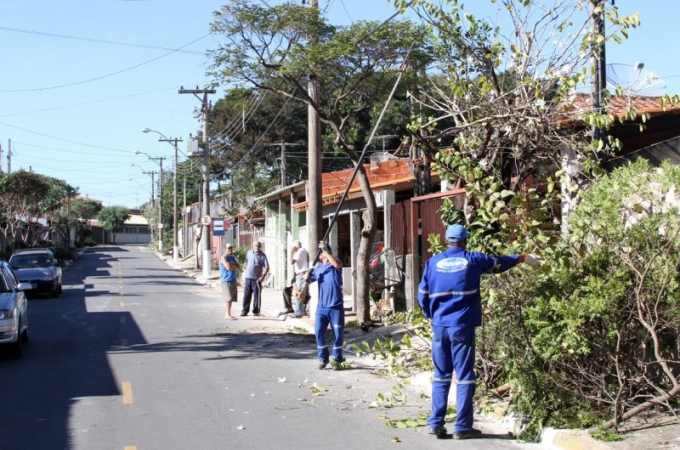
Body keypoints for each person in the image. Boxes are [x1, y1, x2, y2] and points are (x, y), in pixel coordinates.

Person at [418, 224, 538, 440]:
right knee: (464, 377)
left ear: (447, 240)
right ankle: (463, 427)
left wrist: (432, 316)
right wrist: (521, 257)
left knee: (441, 376)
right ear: (464, 241)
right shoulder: (473, 259)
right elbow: (499, 263)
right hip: (462, 326)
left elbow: (422, 295)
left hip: (439, 327)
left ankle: (436, 423)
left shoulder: (432, 262)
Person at [304, 241, 345, 369]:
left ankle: (337, 359)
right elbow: (308, 281)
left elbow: (337, 264)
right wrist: (306, 276)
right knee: (318, 331)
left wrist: (327, 252)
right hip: (321, 307)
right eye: (321, 254)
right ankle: (323, 358)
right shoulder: (317, 269)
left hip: (336, 306)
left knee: (338, 334)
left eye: (324, 253)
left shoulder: (335, 264)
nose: (321, 256)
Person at [241, 240, 269, 317]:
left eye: (258, 246)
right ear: (252, 246)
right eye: (255, 245)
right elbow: (246, 262)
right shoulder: (249, 253)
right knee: (246, 295)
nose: (257, 247)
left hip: (257, 279)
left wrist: (263, 276)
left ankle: (256, 311)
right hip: (248, 278)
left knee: (257, 296)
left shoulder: (262, 255)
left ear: (260, 246)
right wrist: (244, 270)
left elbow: (266, 267)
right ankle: (244, 310)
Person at [219, 242, 241, 320]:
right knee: (228, 298)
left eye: (231, 248)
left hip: (232, 279)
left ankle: (229, 313)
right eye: (228, 248)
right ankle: (227, 314)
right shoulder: (223, 257)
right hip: (226, 280)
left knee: (231, 298)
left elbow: (238, 267)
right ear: (225, 249)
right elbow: (228, 267)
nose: (230, 250)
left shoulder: (232, 258)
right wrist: (233, 266)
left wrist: (233, 266)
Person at [290, 240, 310, 318]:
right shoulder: (304, 251)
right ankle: (302, 310)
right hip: (303, 273)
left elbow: (292, 261)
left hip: (301, 274)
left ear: (295, 247)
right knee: (302, 293)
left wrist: (291, 252)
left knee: (299, 293)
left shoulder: (300, 251)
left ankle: (298, 312)